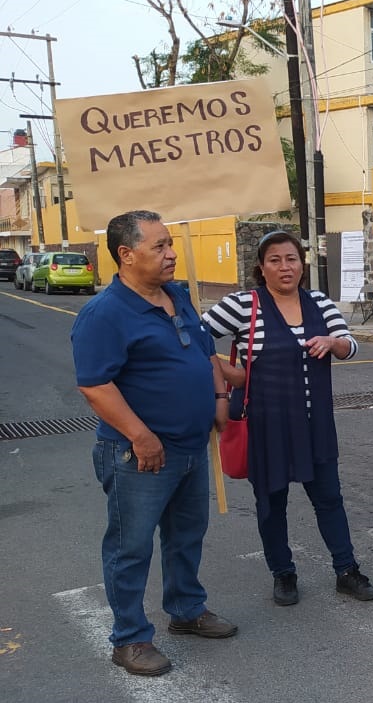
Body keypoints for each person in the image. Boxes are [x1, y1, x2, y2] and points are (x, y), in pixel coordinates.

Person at [71, 210, 237, 677]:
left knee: (186, 535)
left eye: (170, 243)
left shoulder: (177, 295)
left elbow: (204, 351)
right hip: (138, 454)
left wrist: (220, 395)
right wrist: (141, 437)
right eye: (160, 246)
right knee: (131, 546)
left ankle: (186, 609)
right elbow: (95, 386)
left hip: (188, 446)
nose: (172, 253)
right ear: (126, 255)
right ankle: (129, 638)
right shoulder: (104, 314)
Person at [203, 231, 373, 607]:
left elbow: (350, 345)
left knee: (329, 498)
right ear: (261, 268)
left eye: (292, 259)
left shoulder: (319, 302)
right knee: (271, 503)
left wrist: (334, 343)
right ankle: (282, 573)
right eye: (275, 260)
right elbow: (192, 339)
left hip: (315, 425)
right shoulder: (243, 305)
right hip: (267, 427)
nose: (285, 267)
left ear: (303, 264)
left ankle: (346, 570)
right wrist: (229, 375)